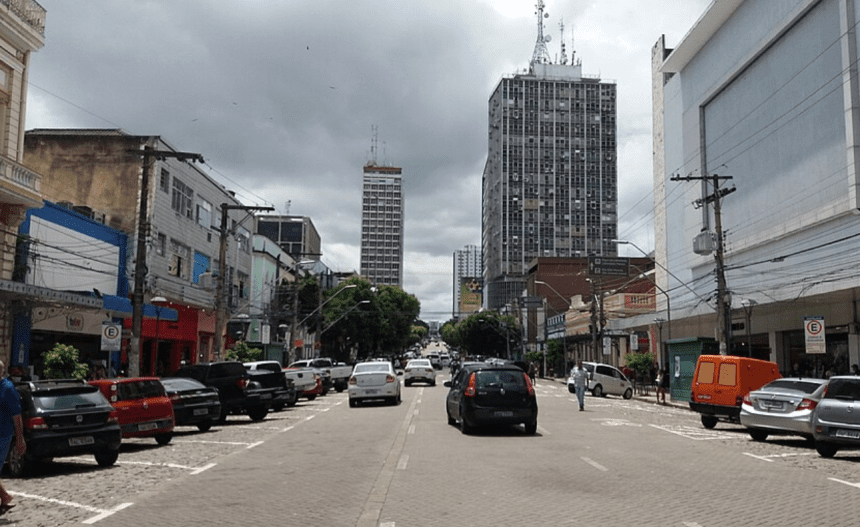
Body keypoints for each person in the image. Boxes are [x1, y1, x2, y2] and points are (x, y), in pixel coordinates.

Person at [0, 360, 25, 515]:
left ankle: (5, 497)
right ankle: (5, 497)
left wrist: (20, 439)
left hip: (3, 435)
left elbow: (17, 416)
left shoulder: (8, 388)